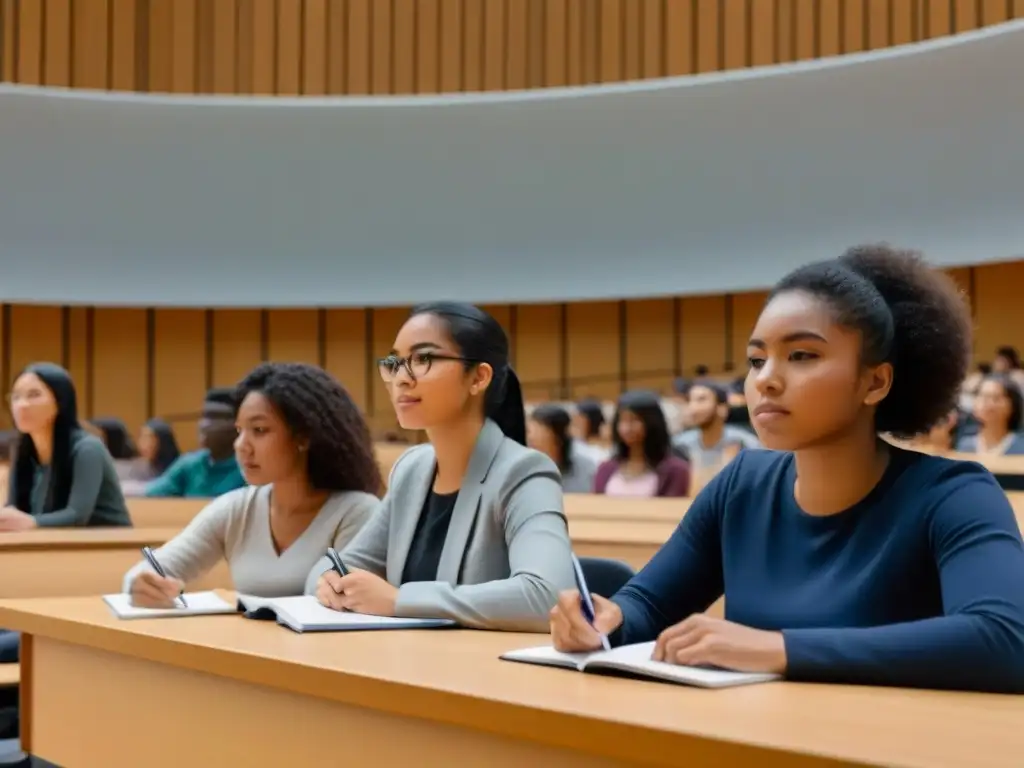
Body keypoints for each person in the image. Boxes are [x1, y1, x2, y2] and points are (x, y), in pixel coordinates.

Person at [550, 244, 1024, 693]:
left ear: (875, 381)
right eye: (757, 359)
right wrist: (605, 621)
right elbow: (649, 605)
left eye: (802, 355)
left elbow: (1005, 639)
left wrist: (780, 648)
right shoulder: (741, 486)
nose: (766, 380)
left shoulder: (954, 495)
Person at [309, 302, 575, 632]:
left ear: (479, 377)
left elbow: (548, 597)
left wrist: (399, 601)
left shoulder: (525, 472)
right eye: (395, 362)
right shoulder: (411, 469)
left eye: (423, 359)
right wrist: (329, 583)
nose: (400, 379)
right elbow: (338, 566)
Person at [124, 363, 381, 605]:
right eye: (239, 431)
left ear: (303, 437)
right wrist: (141, 584)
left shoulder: (358, 511)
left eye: (259, 430)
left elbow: (332, 600)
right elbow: (154, 568)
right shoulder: (236, 508)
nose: (241, 446)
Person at [3, 363, 131, 529]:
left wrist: (30, 521)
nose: (22, 405)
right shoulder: (22, 452)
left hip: (108, 548)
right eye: (16, 397)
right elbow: (15, 511)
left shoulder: (87, 449)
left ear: (60, 401)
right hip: (48, 546)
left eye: (34, 395)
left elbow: (77, 516)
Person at [145, 388, 246, 498]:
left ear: (237, 426)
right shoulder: (190, 464)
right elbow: (151, 492)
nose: (205, 425)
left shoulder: (247, 467)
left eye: (216, 417)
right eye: (204, 416)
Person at [593, 390, 690, 497]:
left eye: (634, 420)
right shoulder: (606, 468)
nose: (627, 428)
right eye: (623, 421)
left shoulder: (675, 470)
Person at [672, 380, 759, 467]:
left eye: (701, 400)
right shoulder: (681, 445)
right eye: (689, 400)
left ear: (722, 409)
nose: (693, 407)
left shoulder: (745, 444)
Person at [527, 404, 598, 493]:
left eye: (537, 431)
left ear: (556, 435)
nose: (531, 438)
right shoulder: (525, 469)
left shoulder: (586, 468)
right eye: (529, 432)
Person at [955, 374, 1024, 455]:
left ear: (1012, 405)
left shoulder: (1020, 446)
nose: (989, 404)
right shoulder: (964, 445)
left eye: (996, 398)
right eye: (983, 396)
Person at [119, 418, 181, 495]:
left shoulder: (179, 468)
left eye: (150, 438)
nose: (143, 444)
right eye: (142, 437)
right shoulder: (137, 468)